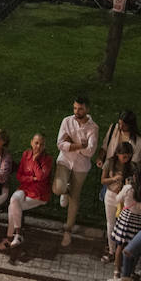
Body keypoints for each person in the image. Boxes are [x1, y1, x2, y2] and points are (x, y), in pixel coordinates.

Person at [55, 97, 99, 247]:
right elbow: (60, 144)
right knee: (58, 188)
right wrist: (80, 145)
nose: (76, 112)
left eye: (80, 109)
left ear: (87, 109)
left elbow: (90, 152)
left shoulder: (93, 128)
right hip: (65, 161)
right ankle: (64, 190)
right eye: (75, 108)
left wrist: (71, 144)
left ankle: (68, 229)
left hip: (81, 166)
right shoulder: (66, 121)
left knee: (75, 197)